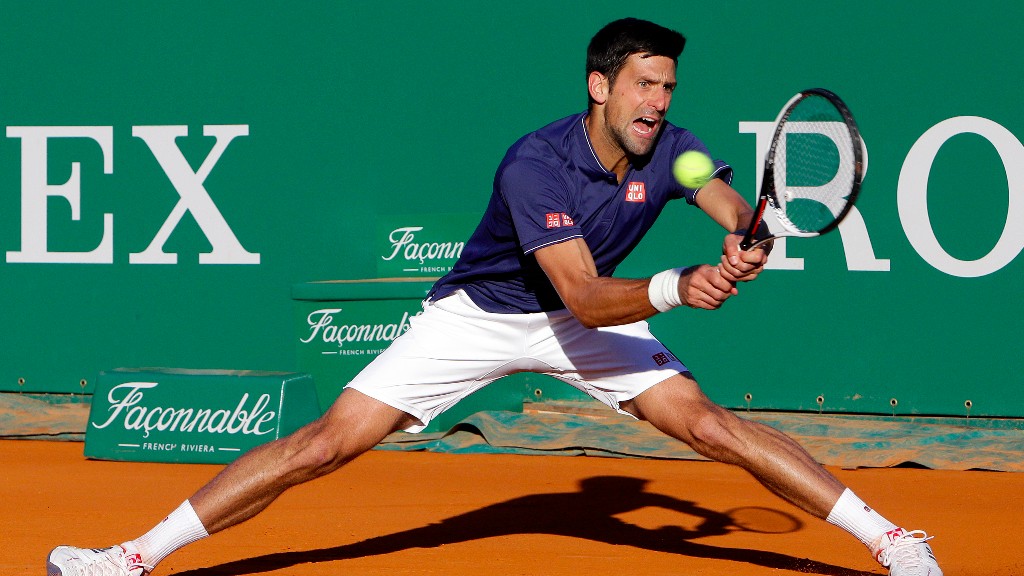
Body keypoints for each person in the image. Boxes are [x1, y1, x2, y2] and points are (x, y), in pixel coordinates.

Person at [48, 18, 942, 576]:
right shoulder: (535, 165)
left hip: (582, 322)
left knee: (711, 426)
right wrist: (679, 286)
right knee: (324, 446)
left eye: (668, 87)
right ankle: (131, 556)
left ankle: (895, 541)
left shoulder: (677, 148)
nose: (659, 101)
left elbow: (719, 195)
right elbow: (587, 299)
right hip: (482, 317)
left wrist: (743, 234)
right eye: (643, 84)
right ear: (600, 85)